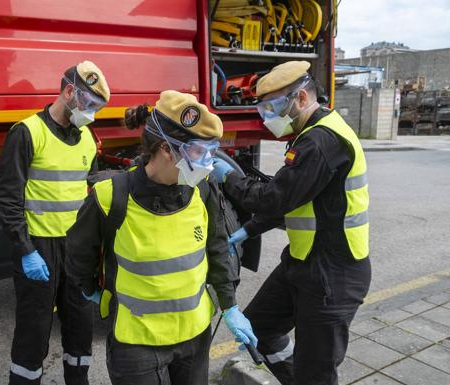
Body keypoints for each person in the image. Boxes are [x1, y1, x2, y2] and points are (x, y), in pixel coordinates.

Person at [65, 90, 257, 385]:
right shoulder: (110, 196)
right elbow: (79, 254)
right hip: (136, 345)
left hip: (195, 337)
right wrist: (89, 288)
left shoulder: (202, 189)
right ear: (167, 149)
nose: (208, 163)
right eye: (199, 151)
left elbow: (217, 247)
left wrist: (230, 305)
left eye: (212, 150)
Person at [211, 61, 372, 385]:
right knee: (260, 329)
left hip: (332, 274)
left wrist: (229, 178)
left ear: (300, 98)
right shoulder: (309, 134)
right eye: (263, 108)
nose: (267, 116)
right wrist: (250, 229)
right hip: (303, 262)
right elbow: (298, 199)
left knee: (318, 371)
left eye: (273, 107)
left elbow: (274, 198)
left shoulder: (320, 142)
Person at [0, 60, 110, 385]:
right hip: (38, 249)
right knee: (33, 331)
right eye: (89, 104)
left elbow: (90, 193)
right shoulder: (27, 132)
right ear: (69, 91)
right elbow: (7, 198)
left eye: (97, 107)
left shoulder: (87, 138)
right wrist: (24, 249)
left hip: (75, 251)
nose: (92, 113)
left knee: (80, 326)